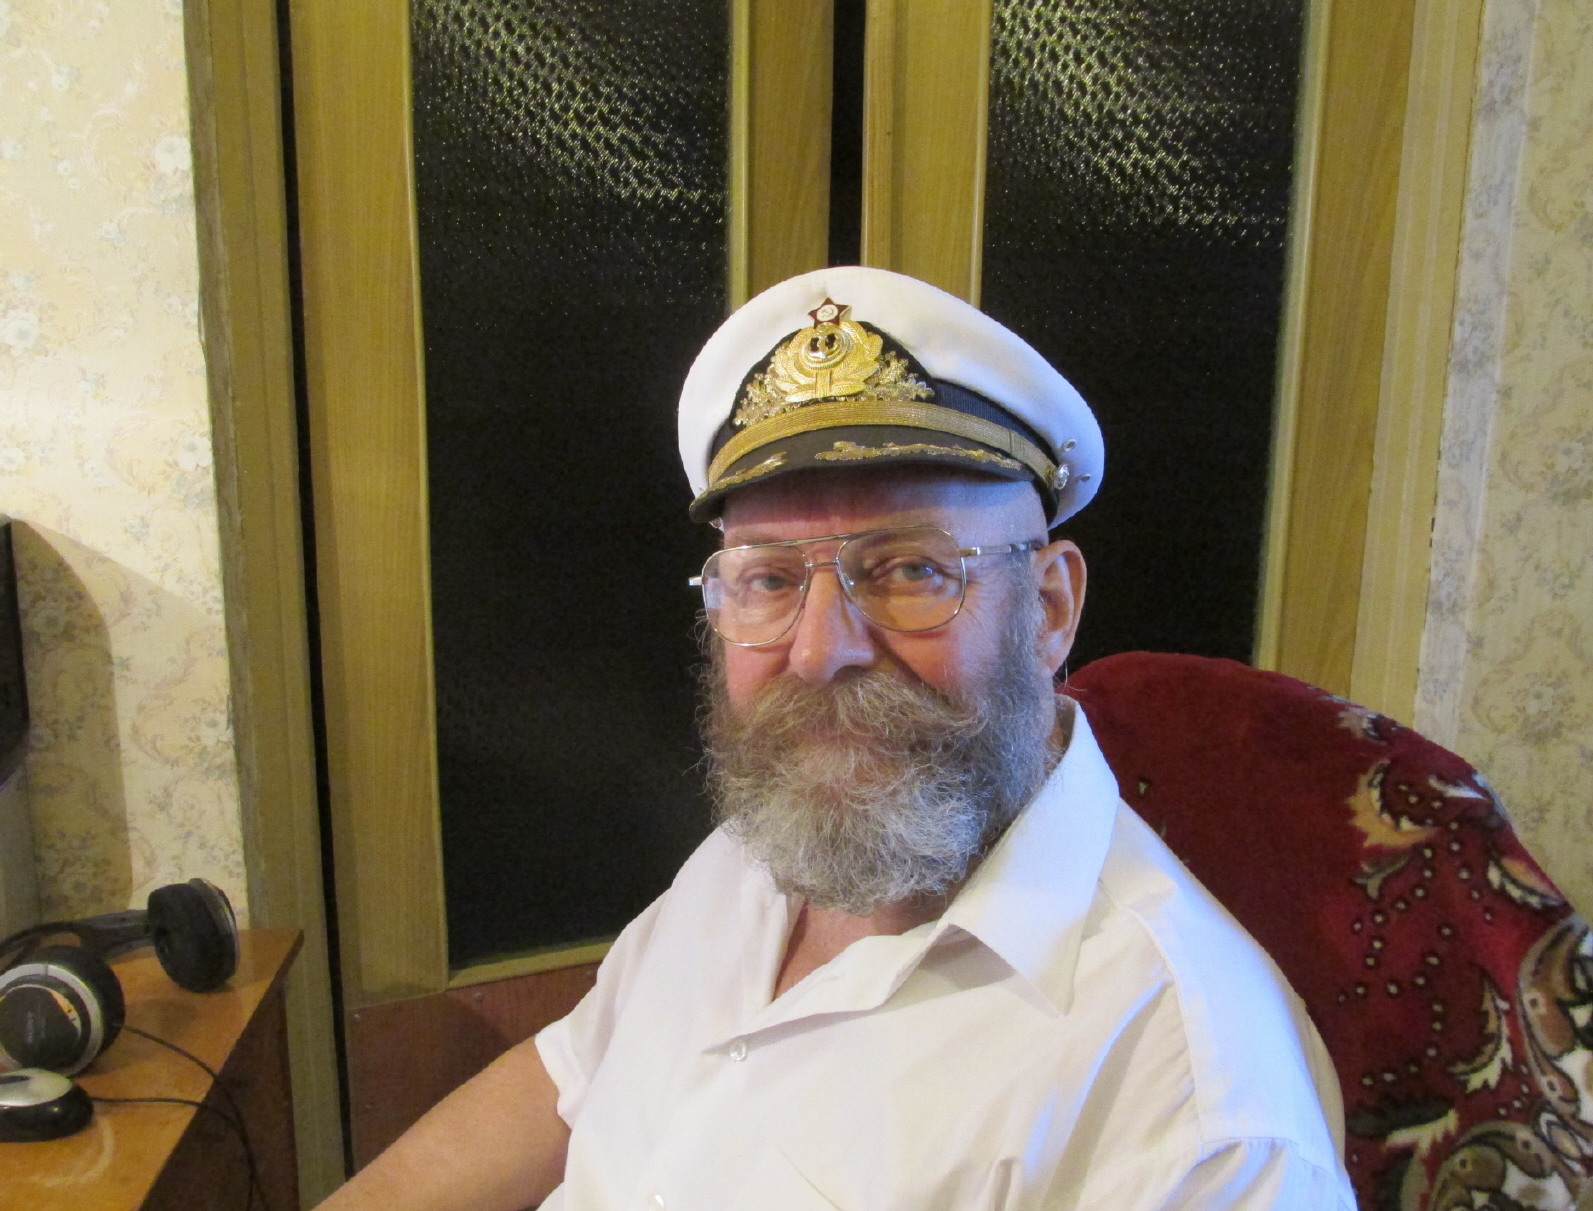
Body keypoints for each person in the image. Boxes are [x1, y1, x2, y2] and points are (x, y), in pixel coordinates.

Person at [318, 267, 1355, 1210]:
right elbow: (570, 1078)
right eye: (769, 578)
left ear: (1047, 606)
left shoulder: (1199, 1114)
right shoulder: (773, 841)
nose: (818, 652)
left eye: (910, 569)